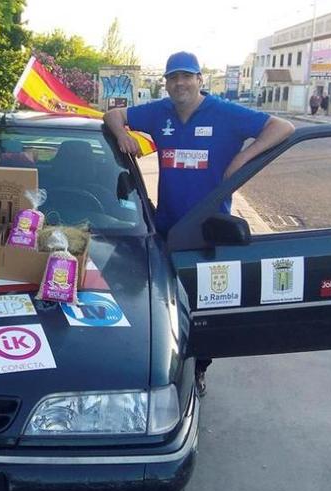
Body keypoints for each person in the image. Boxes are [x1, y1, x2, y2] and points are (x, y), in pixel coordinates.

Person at [103, 51, 294, 396]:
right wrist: (121, 134)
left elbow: (282, 128)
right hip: (167, 228)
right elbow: (113, 114)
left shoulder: (225, 113)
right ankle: (167, 367)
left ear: (199, 80)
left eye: (187, 76)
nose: (180, 84)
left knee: (206, 308)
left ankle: (200, 368)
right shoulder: (159, 112)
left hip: (210, 230)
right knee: (166, 304)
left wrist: (242, 158)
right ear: (166, 83)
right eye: (173, 77)